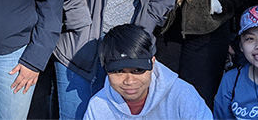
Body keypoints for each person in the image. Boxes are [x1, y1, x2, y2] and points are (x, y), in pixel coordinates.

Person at [84, 24, 212, 120]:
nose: (129, 81)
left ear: (153, 62)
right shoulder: (98, 106)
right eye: (119, 71)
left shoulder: (183, 96)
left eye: (138, 70)